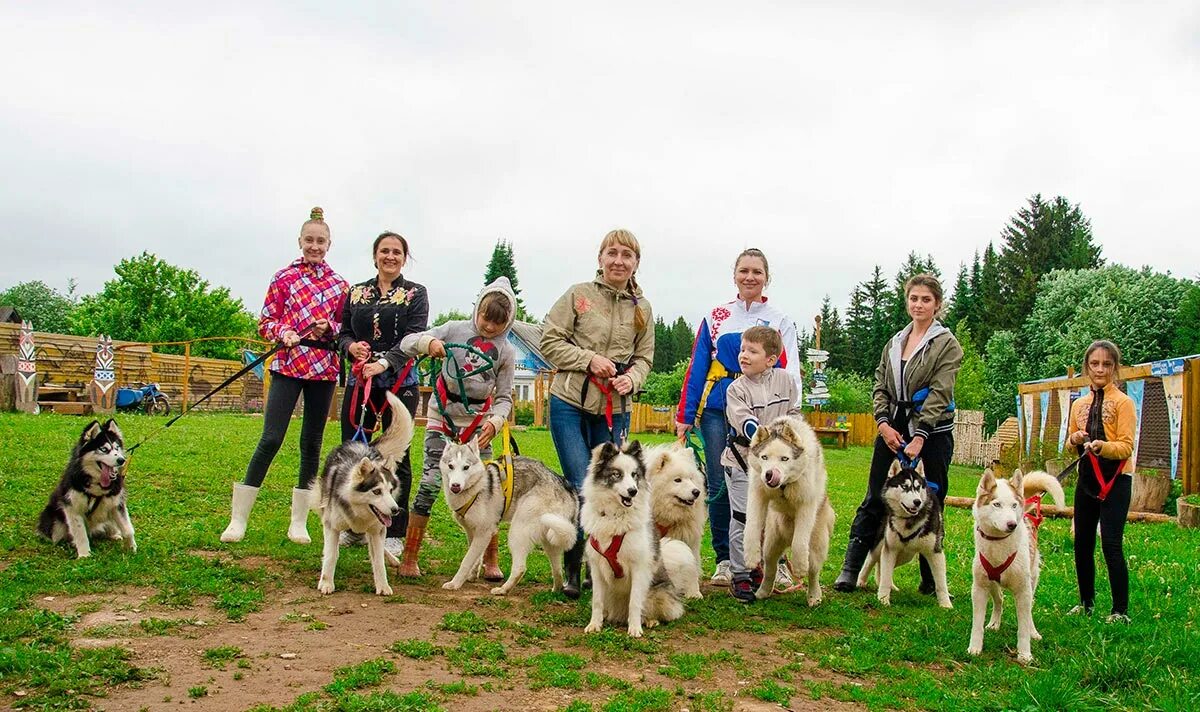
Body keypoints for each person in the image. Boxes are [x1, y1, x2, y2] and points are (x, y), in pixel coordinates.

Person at [221, 207, 348, 545]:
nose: (315, 246)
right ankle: (239, 519)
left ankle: (299, 522)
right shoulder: (283, 278)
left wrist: (331, 328)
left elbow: (344, 329)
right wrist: (284, 330)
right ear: (300, 241)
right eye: (309, 240)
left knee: (312, 443)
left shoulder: (340, 285)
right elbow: (266, 321)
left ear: (329, 244)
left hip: (323, 368)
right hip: (288, 363)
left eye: (321, 241)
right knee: (271, 438)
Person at [675, 248, 801, 586]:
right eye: (744, 270)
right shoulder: (716, 316)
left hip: (767, 413)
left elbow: (792, 371)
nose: (750, 277)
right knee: (720, 482)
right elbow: (698, 364)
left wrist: (791, 420)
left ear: (766, 277)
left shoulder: (779, 319)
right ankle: (726, 559)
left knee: (773, 483)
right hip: (719, 409)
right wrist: (686, 414)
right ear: (734, 275)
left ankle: (776, 558)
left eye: (757, 272)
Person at [541, 228, 655, 599]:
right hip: (569, 402)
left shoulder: (642, 309)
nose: (619, 261)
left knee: (612, 487)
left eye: (627, 255)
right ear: (601, 258)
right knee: (581, 484)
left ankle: (603, 567)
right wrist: (588, 360)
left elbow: (644, 358)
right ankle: (577, 568)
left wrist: (632, 379)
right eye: (612, 253)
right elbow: (549, 340)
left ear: (636, 262)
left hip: (614, 408)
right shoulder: (578, 295)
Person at [833, 273, 961, 593]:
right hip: (894, 427)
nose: (918, 304)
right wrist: (883, 424)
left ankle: (930, 578)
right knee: (876, 494)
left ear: (937, 305)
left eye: (926, 300)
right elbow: (881, 385)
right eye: (914, 298)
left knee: (930, 498)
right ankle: (851, 568)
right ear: (907, 301)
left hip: (932, 431)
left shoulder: (947, 344)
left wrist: (921, 437)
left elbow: (940, 393)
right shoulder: (894, 343)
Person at [395, 277, 518, 579]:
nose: (489, 328)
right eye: (485, 319)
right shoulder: (453, 329)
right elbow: (408, 343)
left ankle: (490, 560)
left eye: (497, 324)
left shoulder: (506, 351)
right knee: (430, 481)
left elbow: (504, 398)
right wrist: (430, 343)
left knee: (489, 489)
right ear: (478, 309)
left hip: (479, 424)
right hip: (443, 416)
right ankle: (410, 556)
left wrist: (496, 420)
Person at [336, 231, 428, 557]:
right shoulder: (356, 292)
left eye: (397, 252)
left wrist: (385, 362)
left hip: (399, 382)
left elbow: (414, 338)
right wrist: (352, 347)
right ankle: (354, 525)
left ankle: (393, 530)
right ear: (375, 255)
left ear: (405, 257)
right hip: (360, 383)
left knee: (395, 456)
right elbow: (342, 332)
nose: (390, 257)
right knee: (354, 454)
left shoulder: (416, 294)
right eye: (384, 251)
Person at [722, 325, 801, 602]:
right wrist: (766, 436)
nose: (743, 355)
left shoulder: (787, 381)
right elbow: (746, 423)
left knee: (769, 518)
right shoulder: (735, 388)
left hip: (775, 465)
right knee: (744, 516)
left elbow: (794, 415)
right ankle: (740, 573)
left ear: (770, 359)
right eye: (743, 350)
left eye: (752, 351)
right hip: (743, 461)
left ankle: (758, 568)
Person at [1067, 340, 1136, 624]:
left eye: (1107, 364)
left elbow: (1126, 446)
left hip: (1116, 480)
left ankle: (1120, 610)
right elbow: (1070, 443)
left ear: (1115, 368)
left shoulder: (1124, 403)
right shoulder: (1078, 405)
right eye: (1095, 364)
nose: (1100, 369)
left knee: (1111, 543)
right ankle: (1086, 602)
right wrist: (1075, 440)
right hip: (1087, 480)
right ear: (1087, 367)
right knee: (1082, 542)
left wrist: (1101, 446)